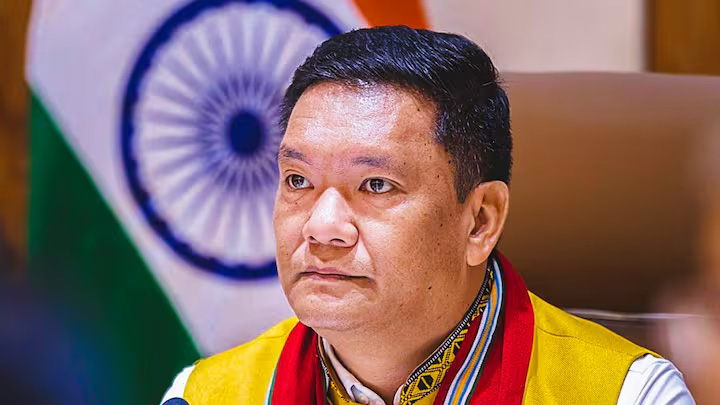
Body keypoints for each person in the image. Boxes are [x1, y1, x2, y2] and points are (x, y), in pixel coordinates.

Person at [162, 26, 694, 404]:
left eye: (375, 185)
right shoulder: (204, 395)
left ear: (480, 221)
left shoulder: (630, 395)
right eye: (298, 181)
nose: (321, 228)